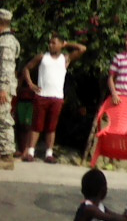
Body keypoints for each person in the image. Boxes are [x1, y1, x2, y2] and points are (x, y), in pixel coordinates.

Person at [21, 33, 87, 163]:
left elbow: (82, 48)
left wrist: (67, 43)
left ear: (61, 45)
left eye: (54, 43)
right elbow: (26, 69)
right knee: (36, 125)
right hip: (41, 95)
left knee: (51, 127)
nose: (50, 45)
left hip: (56, 97)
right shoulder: (42, 57)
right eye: (50, 42)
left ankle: (49, 154)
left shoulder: (65, 59)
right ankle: (30, 152)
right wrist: (30, 84)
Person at [0, 8, 20, 170]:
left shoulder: (6, 42)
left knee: (4, 119)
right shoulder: (5, 40)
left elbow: (6, 68)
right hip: (4, 86)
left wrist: (3, 89)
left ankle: (6, 156)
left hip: (3, 88)